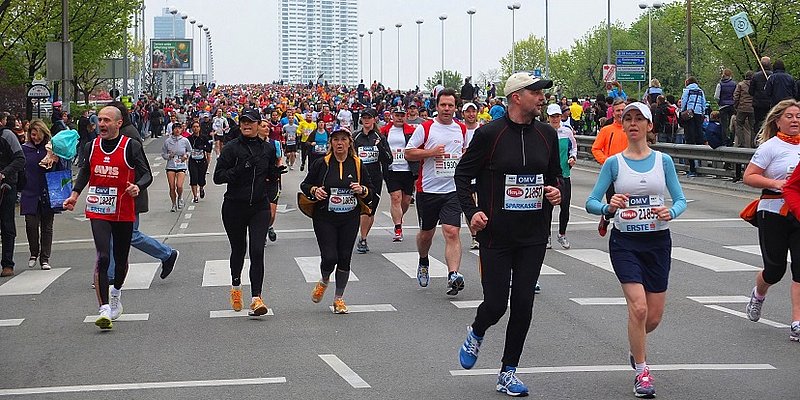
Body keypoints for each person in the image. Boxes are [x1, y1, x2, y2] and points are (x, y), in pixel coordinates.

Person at [454, 72, 562, 397]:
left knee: (524, 303)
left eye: (542, 92)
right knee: (497, 304)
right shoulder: (490, 134)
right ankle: (477, 330)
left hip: (533, 235)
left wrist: (556, 191)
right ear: (517, 96)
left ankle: (508, 371)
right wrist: (472, 213)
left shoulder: (546, 134)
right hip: (496, 235)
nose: (541, 98)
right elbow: (462, 175)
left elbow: (556, 175)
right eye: (535, 93)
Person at [585, 102, 687, 398]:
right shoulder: (614, 163)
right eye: (627, 118)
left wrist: (672, 212)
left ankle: (636, 346)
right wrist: (608, 206)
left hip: (657, 242)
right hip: (625, 242)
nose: (632, 123)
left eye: (638, 119)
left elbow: (680, 199)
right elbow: (592, 201)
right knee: (638, 307)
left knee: (652, 317)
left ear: (649, 126)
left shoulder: (663, 161)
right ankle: (642, 371)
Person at [63, 106, 153, 329]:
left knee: (120, 260)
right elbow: (86, 171)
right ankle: (103, 308)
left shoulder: (130, 146)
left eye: (106, 120)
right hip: (99, 209)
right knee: (103, 256)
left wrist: (137, 187)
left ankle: (116, 295)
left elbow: (146, 174)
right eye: (99, 120)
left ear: (118, 123)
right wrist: (74, 194)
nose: (101, 124)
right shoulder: (90, 146)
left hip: (123, 209)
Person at [742, 99, 800, 342]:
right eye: (790, 116)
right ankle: (759, 293)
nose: (795, 120)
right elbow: (749, 176)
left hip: (799, 212)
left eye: (798, 116)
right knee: (775, 269)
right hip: (773, 211)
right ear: (778, 120)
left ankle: (797, 322)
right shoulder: (770, 147)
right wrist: (776, 183)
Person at [300, 127, 374, 314]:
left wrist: (362, 190)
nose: (339, 143)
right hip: (325, 217)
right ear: (331, 143)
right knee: (329, 257)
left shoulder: (357, 164)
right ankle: (325, 279)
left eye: (343, 139)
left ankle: (338, 298)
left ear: (350, 143)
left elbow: (371, 190)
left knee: (344, 258)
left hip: (349, 218)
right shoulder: (322, 163)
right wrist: (315, 190)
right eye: (336, 140)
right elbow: (305, 184)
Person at [212, 109, 278, 317]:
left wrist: (273, 179)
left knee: (258, 250)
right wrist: (239, 170)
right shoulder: (232, 148)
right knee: (239, 249)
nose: (247, 125)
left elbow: (270, 175)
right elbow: (217, 177)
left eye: (251, 122)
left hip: (259, 206)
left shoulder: (267, 149)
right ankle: (236, 287)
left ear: (259, 124)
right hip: (234, 206)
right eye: (243, 122)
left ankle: (257, 298)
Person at [404, 88, 468, 295]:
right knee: (426, 234)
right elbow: (408, 153)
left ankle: (453, 275)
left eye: (450, 105)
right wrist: (430, 152)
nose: (447, 109)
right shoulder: (426, 128)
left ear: (455, 107)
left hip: (452, 190)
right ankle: (424, 260)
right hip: (428, 190)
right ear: (437, 106)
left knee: (452, 231)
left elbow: (465, 153)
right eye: (443, 105)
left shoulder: (461, 129)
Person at [20, 120, 62, 270]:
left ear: (44, 134)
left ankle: (45, 258)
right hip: (29, 191)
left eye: (39, 135)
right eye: (33, 135)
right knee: (31, 224)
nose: (36, 138)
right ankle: (33, 252)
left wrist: (56, 161)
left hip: (48, 191)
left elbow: (61, 170)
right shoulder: (24, 149)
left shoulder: (51, 149)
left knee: (47, 227)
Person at [353, 107, 392, 253]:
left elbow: (388, 160)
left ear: (374, 119)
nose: (367, 120)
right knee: (361, 210)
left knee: (370, 211)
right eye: (364, 118)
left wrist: (380, 147)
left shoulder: (380, 137)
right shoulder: (356, 137)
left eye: (369, 117)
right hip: (358, 178)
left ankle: (363, 237)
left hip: (375, 178)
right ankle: (361, 238)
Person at [591, 98, 628, 237]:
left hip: (629, 173)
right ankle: (606, 217)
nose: (620, 113)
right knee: (613, 204)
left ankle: (624, 231)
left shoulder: (632, 129)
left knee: (627, 204)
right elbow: (596, 149)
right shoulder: (607, 130)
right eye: (618, 110)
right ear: (613, 113)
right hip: (612, 174)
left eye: (623, 110)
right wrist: (607, 162)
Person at [380, 108, 418, 242]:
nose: (399, 118)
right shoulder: (384, 131)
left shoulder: (411, 131)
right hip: (392, 169)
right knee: (396, 198)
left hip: (408, 169)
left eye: (402, 116)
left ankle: (399, 217)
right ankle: (397, 228)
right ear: (392, 116)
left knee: (406, 200)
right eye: (397, 115)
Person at [545, 104, 577, 249]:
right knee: (547, 208)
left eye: (557, 116)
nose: (555, 119)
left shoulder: (566, 131)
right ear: (548, 117)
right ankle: (547, 236)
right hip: (548, 176)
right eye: (552, 117)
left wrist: (573, 157)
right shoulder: (543, 131)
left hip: (564, 174)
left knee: (565, 206)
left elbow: (574, 147)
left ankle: (562, 234)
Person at [0, 113, 25, 277]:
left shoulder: (7, 135)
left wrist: (3, 173)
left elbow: (20, 159)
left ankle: (7, 264)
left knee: (6, 224)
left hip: (6, 186)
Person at [679, 76, 708, 176]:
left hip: (689, 115)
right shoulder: (700, 91)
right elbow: (704, 103)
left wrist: (682, 111)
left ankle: (692, 168)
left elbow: (684, 103)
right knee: (699, 138)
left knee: (690, 140)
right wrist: (702, 112)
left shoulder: (687, 90)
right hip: (698, 114)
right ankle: (700, 165)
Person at [162, 122, 192, 212]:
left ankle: (180, 197)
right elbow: (163, 153)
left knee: (179, 185)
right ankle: (173, 204)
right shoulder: (168, 141)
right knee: (171, 186)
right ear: (173, 130)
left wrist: (186, 156)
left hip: (181, 164)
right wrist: (168, 156)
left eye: (179, 128)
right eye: (175, 128)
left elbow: (189, 151)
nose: (177, 130)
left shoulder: (185, 140)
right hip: (171, 165)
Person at [188, 121, 212, 203]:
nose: (195, 128)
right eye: (194, 127)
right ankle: (195, 196)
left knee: (201, 178)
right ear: (192, 128)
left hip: (202, 160)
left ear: (199, 128)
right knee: (193, 177)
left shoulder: (204, 138)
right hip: (192, 160)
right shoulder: (189, 139)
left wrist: (203, 147)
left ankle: (201, 188)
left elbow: (209, 148)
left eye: (197, 126)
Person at [750, 56, 773, 131]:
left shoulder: (755, 76)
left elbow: (751, 91)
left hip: (758, 104)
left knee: (758, 123)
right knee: (769, 122)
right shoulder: (773, 76)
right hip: (769, 103)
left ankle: (758, 139)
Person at [715, 69, 737, 144]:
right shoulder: (734, 84)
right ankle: (732, 140)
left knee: (724, 124)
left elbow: (716, 96)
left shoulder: (720, 84)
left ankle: (724, 140)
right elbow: (736, 95)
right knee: (732, 124)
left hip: (723, 106)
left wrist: (719, 102)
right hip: (732, 106)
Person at [734, 71, 755, 148]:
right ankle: (753, 143)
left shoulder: (740, 85)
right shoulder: (754, 85)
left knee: (739, 125)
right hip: (752, 108)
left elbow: (736, 96)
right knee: (753, 126)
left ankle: (741, 143)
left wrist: (736, 106)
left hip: (742, 107)